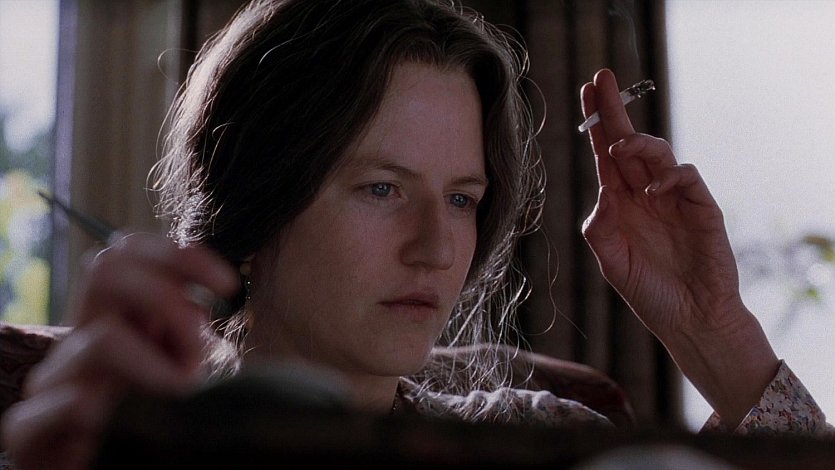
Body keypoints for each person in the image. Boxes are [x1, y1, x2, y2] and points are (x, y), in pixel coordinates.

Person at [0, 0, 829, 468]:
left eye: (462, 199)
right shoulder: (130, 440)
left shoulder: (532, 441)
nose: (435, 248)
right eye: (381, 189)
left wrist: (710, 328)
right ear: (252, 210)